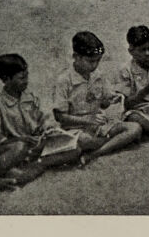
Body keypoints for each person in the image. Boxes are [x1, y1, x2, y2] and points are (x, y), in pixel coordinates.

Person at [0, 54, 84, 172]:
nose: (26, 81)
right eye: (21, 78)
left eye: (27, 76)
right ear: (6, 79)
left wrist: (48, 129)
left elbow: (42, 119)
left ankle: (36, 165)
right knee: (20, 147)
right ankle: (30, 166)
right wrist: (21, 139)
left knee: (75, 149)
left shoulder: (30, 98)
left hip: (33, 146)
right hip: (10, 150)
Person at [52, 30, 142, 159]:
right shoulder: (64, 80)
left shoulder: (98, 75)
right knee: (83, 140)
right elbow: (59, 116)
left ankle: (95, 153)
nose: (94, 65)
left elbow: (105, 103)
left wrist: (113, 99)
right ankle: (115, 143)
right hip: (76, 130)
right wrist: (87, 120)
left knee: (135, 128)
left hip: (99, 128)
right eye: (90, 61)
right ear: (76, 56)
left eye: (97, 61)